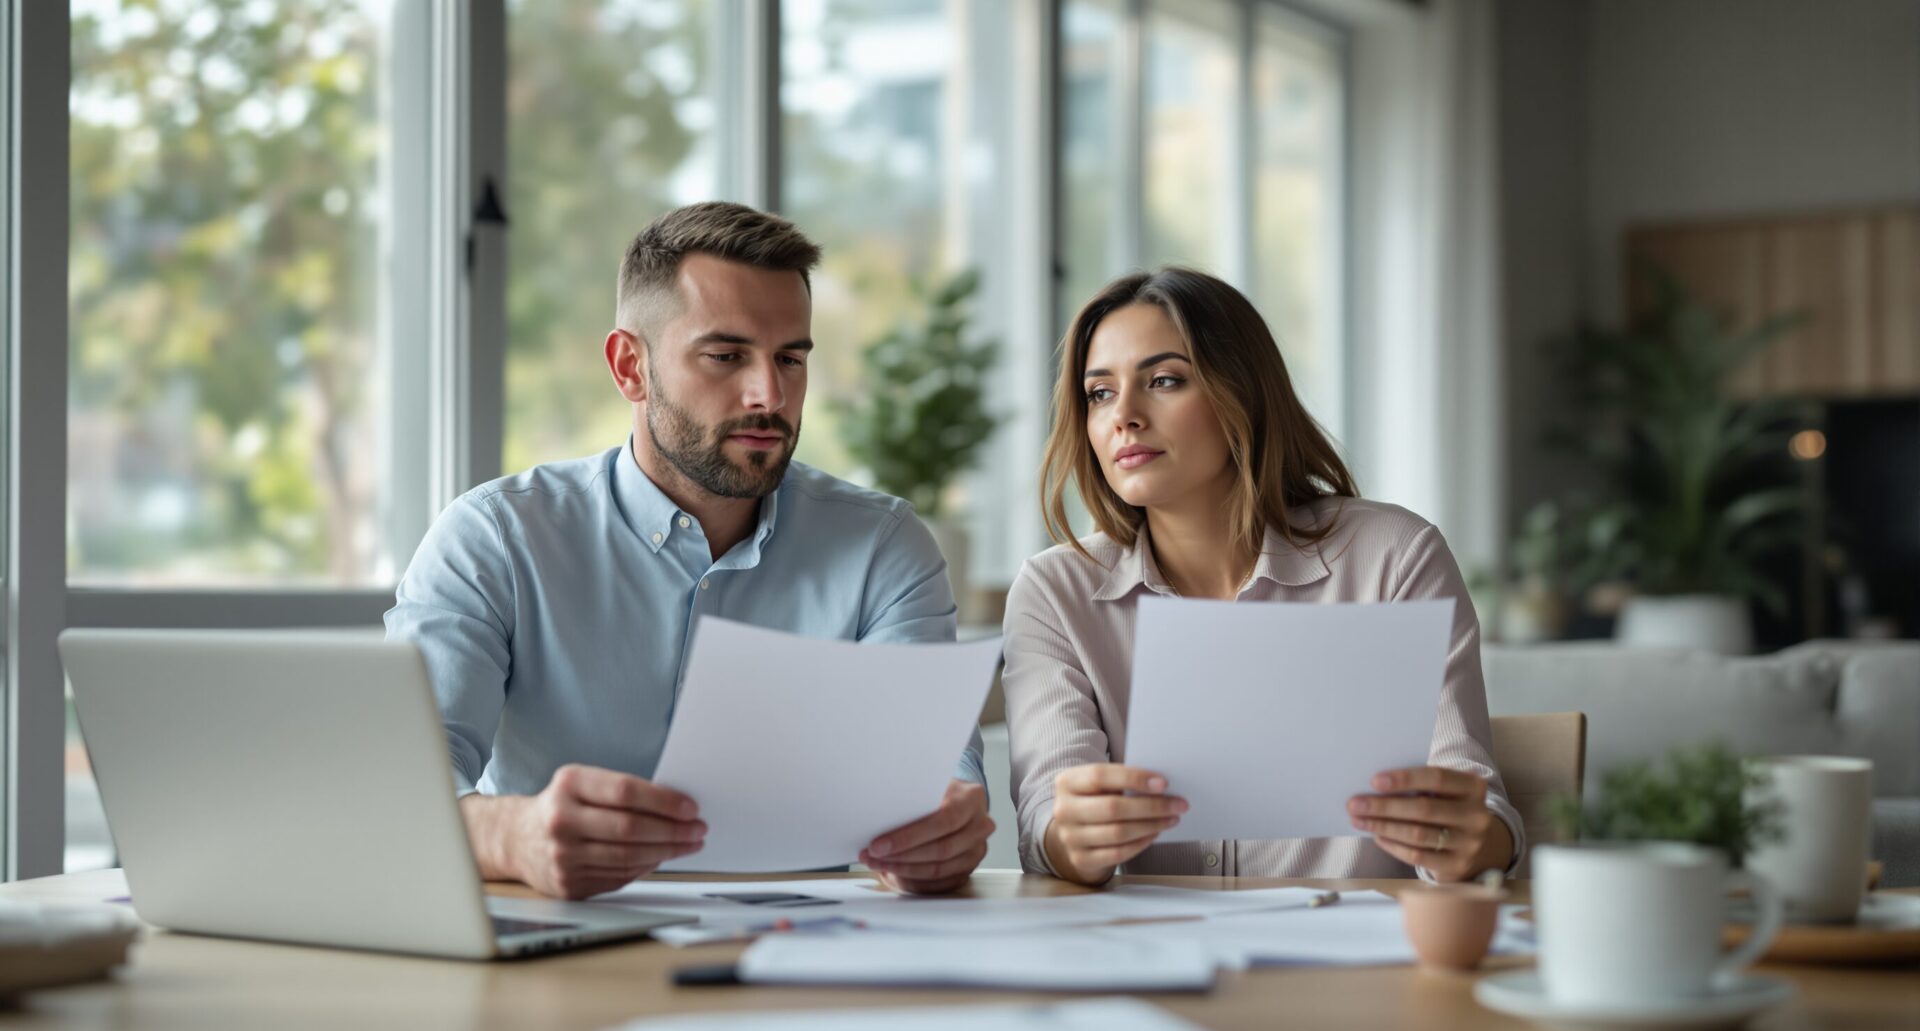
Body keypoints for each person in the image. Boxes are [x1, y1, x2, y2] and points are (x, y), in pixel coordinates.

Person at [386, 202, 991, 900]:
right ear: (629, 367)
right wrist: (512, 836)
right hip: (567, 945)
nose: (770, 394)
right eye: (726, 356)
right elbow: (399, 790)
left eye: (790, 358)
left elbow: (940, 775)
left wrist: (944, 830)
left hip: (810, 949)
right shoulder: (494, 538)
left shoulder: (883, 547)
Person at [1003, 267, 1522, 887]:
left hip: (1356, 964)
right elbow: (1045, 821)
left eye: (1164, 380)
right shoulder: (1054, 593)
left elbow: (1476, 807)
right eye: (1099, 393)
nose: (1125, 417)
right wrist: (1071, 839)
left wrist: (1471, 839)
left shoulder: (1395, 558)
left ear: (1242, 391)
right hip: (1154, 960)